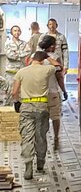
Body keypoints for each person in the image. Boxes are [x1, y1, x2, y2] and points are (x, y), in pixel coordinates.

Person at [11, 50, 59, 180]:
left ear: (31, 59)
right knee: (41, 136)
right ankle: (40, 163)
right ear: (42, 60)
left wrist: (17, 102)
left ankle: (28, 167)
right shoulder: (47, 69)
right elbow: (58, 66)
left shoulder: (21, 72)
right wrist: (48, 57)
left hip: (26, 107)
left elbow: (14, 92)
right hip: (42, 108)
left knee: (27, 136)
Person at [38, 34, 67, 150]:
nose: (55, 46)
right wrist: (64, 91)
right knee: (55, 117)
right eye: (54, 44)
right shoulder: (55, 58)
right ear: (50, 46)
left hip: (39, 93)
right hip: (53, 92)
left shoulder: (36, 57)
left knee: (41, 117)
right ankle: (56, 138)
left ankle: (41, 139)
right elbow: (59, 77)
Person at [4, 25, 28, 102]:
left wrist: (16, 53)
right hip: (11, 72)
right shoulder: (8, 43)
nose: (17, 32)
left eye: (18, 30)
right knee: (10, 92)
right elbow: (10, 56)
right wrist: (20, 55)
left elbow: (28, 52)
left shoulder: (24, 43)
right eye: (15, 30)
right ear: (11, 32)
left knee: (21, 92)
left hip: (22, 70)